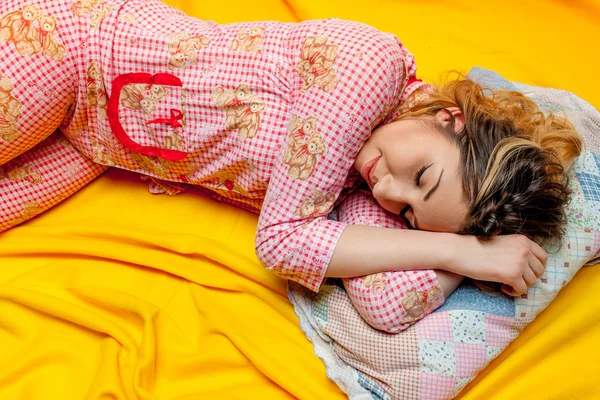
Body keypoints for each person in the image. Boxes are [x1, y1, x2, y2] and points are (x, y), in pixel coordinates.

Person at [0, 0, 582, 333]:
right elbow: (280, 243)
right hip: (73, 50)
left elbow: (388, 305)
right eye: (422, 174)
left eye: (408, 210)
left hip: (94, 142)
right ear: (451, 117)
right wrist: (459, 251)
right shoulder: (367, 70)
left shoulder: (362, 180)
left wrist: (465, 247)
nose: (387, 189)